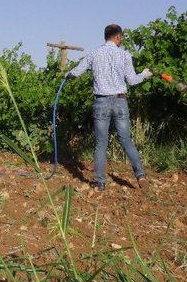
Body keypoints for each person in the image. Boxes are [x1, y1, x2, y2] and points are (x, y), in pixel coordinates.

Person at [65, 24, 153, 191]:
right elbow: (133, 80)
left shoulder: (94, 54)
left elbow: (76, 72)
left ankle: (100, 182)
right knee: (126, 140)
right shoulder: (125, 55)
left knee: (100, 143)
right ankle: (140, 175)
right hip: (120, 101)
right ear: (118, 37)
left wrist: (67, 75)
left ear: (105, 36)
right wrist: (145, 74)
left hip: (101, 102)